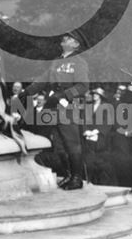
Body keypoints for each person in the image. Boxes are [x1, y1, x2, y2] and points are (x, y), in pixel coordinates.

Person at [25, 30, 91, 190]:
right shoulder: (57, 61)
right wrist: (27, 91)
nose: (64, 38)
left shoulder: (79, 62)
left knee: (72, 144)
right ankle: (69, 175)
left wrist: (64, 94)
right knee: (60, 145)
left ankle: (77, 178)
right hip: (54, 108)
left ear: (75, 44)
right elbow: (44, 79)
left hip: (68, 107)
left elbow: (83, 86)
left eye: (69, 38)